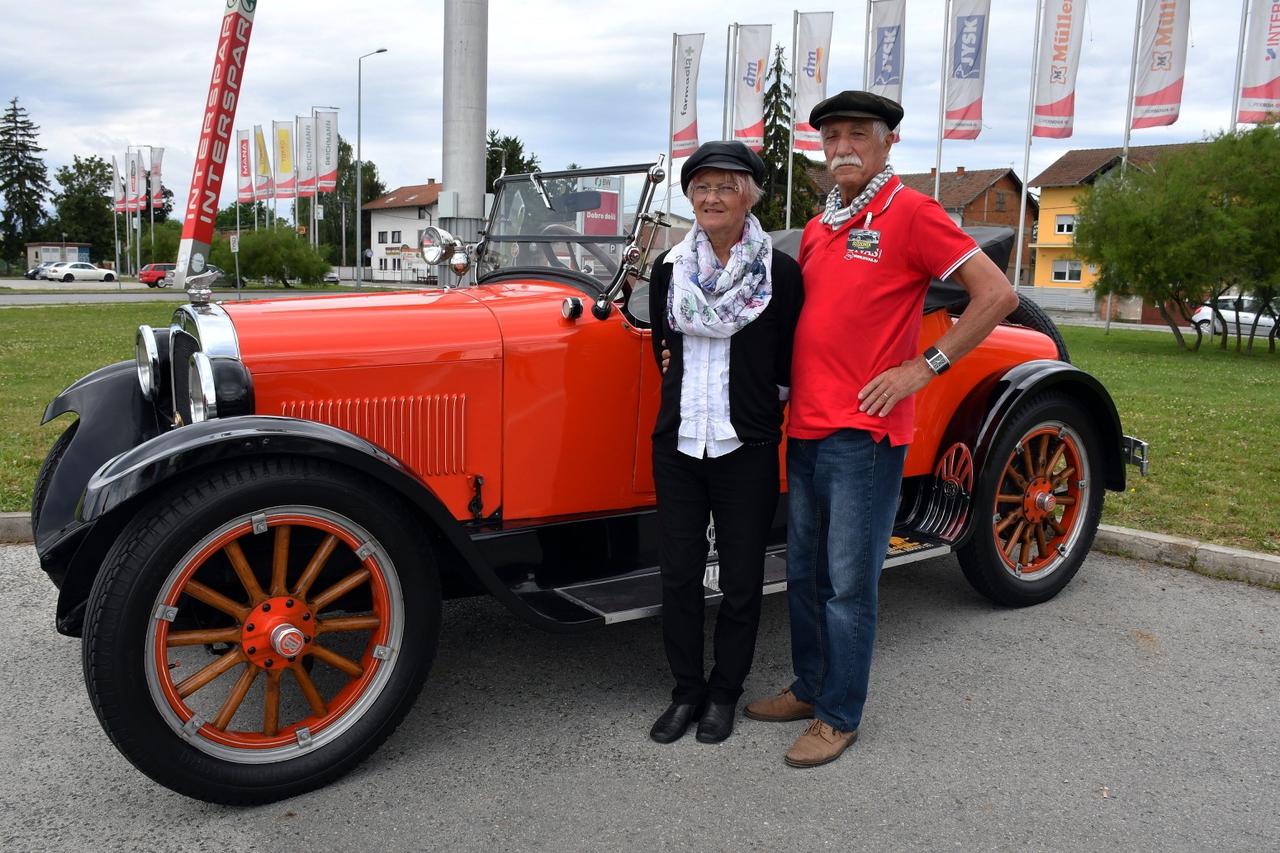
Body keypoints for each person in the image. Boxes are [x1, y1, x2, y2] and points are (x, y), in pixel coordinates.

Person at [744, 91, 1018, 766]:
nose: (842, 146)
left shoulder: (912, 213)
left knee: (848, 581)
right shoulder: (819, 227)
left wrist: (922, 369)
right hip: (805, 428)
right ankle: (811, 687)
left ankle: (840, 713)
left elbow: (998, 295)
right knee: (805, 576)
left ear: (888, 142)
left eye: (857, 133)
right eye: (832, 135)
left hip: (863, 437)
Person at [647, 141, 804, 745]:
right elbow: (668, 347)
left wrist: (766, 410)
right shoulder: (668, 270)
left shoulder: (780, 274)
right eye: (701, 188)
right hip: (681, 442)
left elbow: (787, 359)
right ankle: (686, 690)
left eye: (725, 187)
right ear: (689, 197)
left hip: (747, 445)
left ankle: (725, 693)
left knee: (742, 579)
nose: (711, 198)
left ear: (749, 197)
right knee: (678, 576)